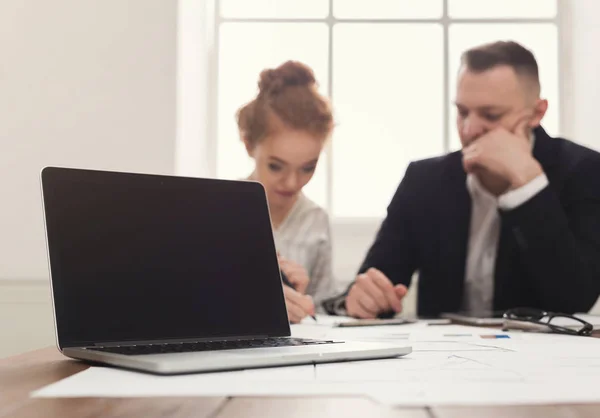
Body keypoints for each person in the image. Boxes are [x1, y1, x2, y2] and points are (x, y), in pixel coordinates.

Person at [324, 41, 600, 318]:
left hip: (543, 357)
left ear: (537, 113)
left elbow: (574, 301)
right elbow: (376, 282)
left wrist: (528, 183)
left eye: (490, 115)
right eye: (463, 112)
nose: (469, 130)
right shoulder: (424, 181)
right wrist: (360, 300)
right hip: (443, 356)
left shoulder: (584, 171)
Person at [237, 61, 335, 323]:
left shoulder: (316, 219)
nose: (292, 183)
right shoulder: (218, 211)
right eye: (276, 166)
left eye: (307, 168)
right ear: (248, 144)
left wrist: (304, 304)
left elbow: (325, 313)